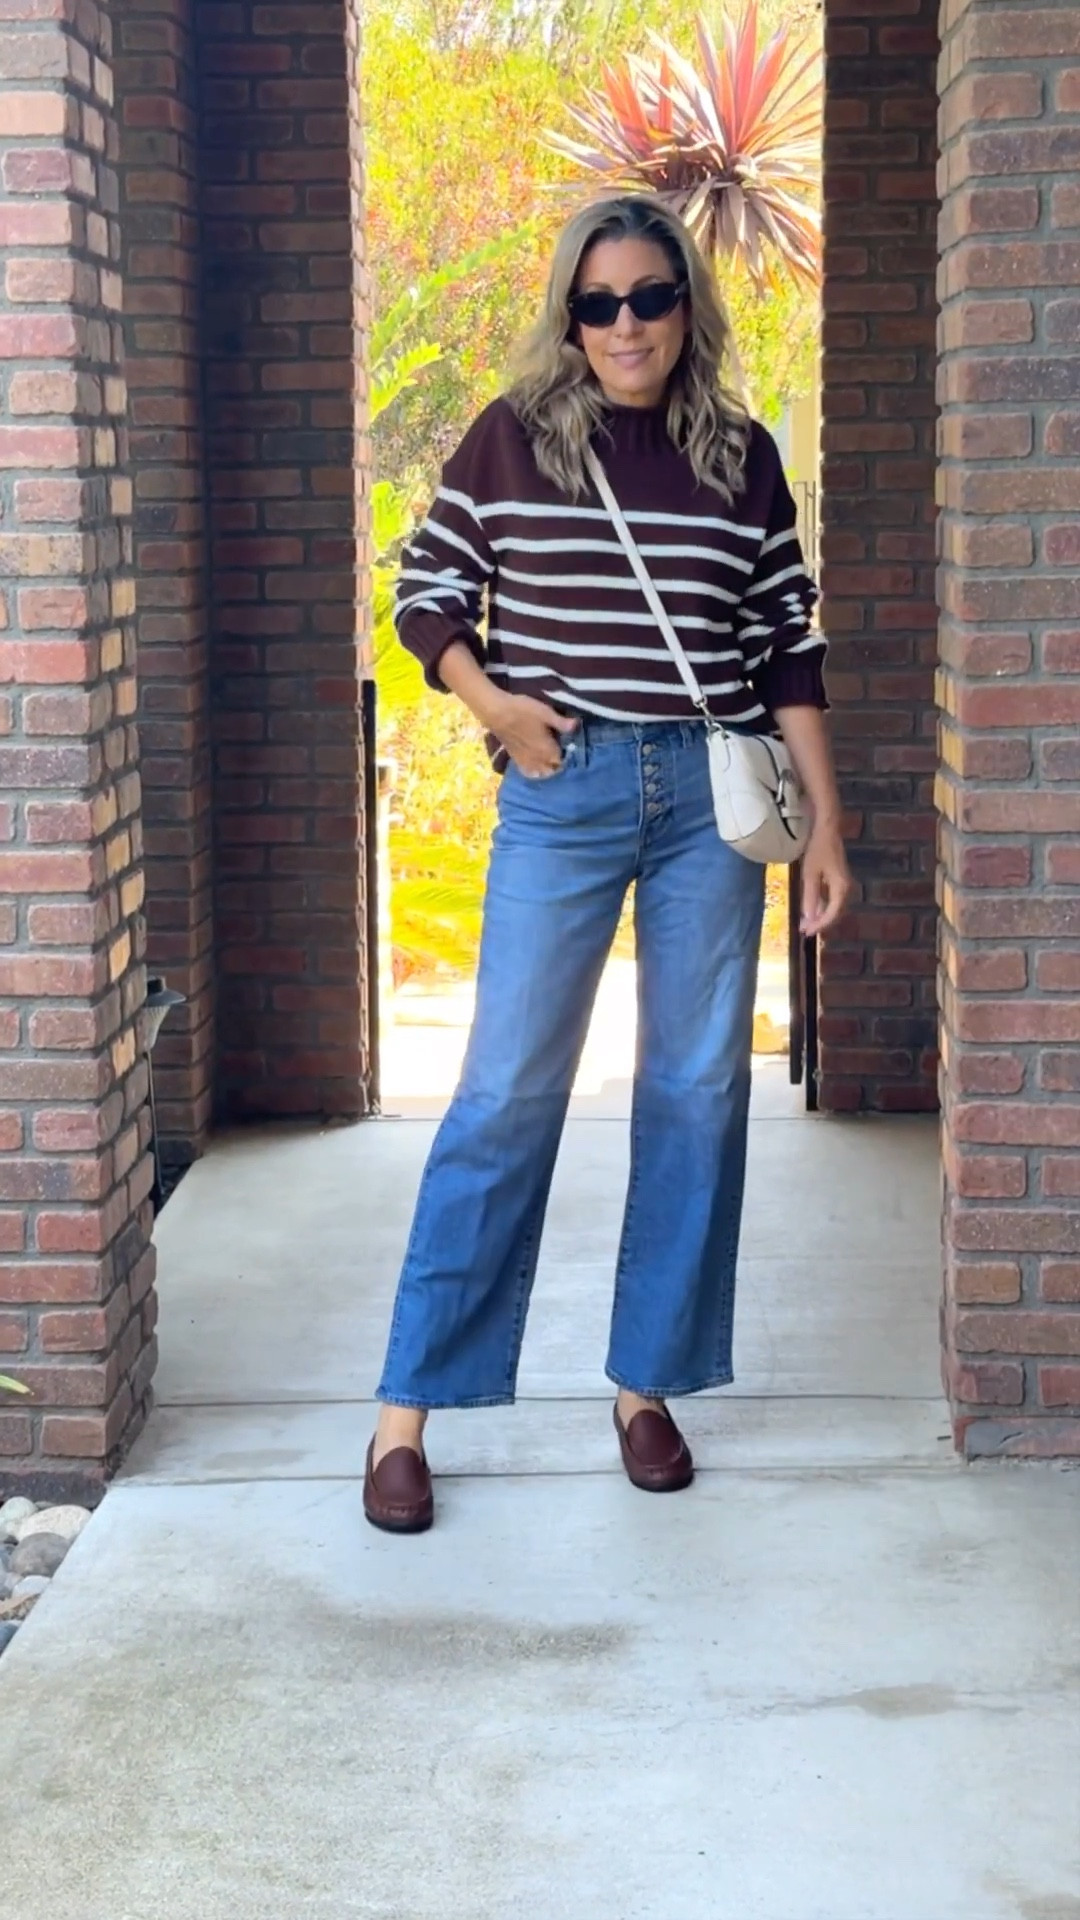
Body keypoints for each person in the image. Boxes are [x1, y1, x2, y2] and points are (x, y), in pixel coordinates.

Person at [364, 192, 851, 1534]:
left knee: (697, 1091)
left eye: (648, 297)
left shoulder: (743, 457)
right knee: (506, 1093)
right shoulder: (514, 440)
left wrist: (831, 829)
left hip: (710, 794)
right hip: (560, 785)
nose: (624, 323)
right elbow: (427, 593)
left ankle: (647, 1387)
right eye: (597, 302)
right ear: (568, 317)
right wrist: (494, 707)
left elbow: (787, 649)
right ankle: (406, 1411)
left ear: (687, 305)